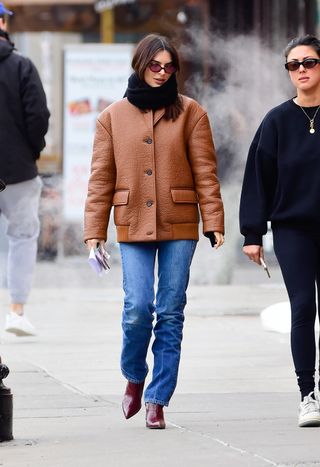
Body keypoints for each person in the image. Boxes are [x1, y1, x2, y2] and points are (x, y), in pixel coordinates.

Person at [84, 34, 224, 429]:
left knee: (171, 311)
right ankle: (133, 374)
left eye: (169, 67)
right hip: (131, 221)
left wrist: (213, 221)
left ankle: (157, 399)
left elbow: (205, 172)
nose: (162, 74)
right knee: (137, 309)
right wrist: (94, 230)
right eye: (155, 66)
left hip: (180, 221)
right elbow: (100, 180)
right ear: (140, 65)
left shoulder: (192, 112)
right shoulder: (111, 117)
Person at [240, 34, 320, 427]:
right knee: (303, 307)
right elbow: (258, 178)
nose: (302, 70)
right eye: (294, 65)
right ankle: (308, 394)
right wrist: (252, 234)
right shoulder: (276, 120)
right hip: (293, 229)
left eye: (309, 62)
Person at [0, 3, 50, 336]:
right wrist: (30, 152)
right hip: (17, 171)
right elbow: (38, 117)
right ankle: (16, 311)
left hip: (17, 166)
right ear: (2, 23)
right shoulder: (21, 66)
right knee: (22, 237)